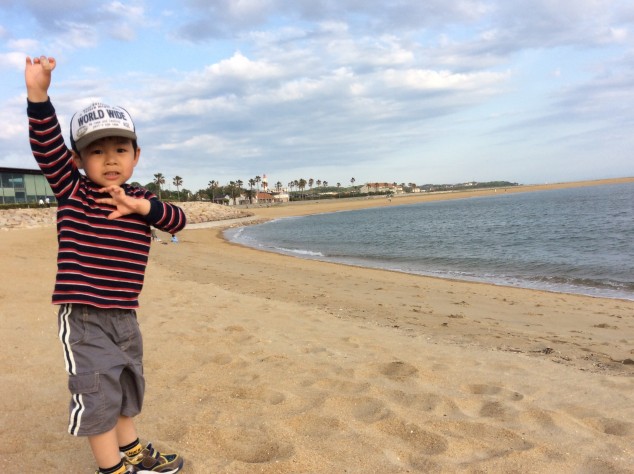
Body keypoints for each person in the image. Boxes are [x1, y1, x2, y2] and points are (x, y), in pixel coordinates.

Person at [25, 55, 185, 474]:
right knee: (97, 394)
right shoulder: (72, 191)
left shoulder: (142, 199)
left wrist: (140, 207)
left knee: (125, 387)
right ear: (78, 160)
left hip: (125, 315)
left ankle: (132, 452)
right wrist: (38, 95)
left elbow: (177, 221)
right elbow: (46, 146)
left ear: (136, 155)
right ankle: (111, 470)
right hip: (85, 316)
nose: (110, 159)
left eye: (120, 150)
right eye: (96, 151)